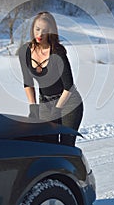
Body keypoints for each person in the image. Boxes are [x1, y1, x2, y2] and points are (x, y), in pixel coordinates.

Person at [18, 11, 83, 146]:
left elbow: (68, 85)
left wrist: (57, 109)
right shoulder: (25, 51)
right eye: (37, 29)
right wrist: (33, 107)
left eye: (45, 31)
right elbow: (28, 82)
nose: (40, 34)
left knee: (66, 145)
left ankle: (74, 166)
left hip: (68, 102)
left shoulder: (58, 52)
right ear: (32, 29)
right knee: (49, 143)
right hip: (45, 103)